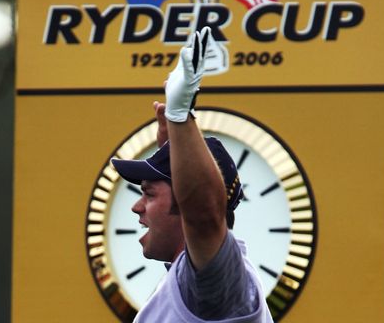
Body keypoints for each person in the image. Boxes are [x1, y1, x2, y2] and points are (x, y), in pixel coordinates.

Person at [111, 28, 274, 322]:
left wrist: (180, 116)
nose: (137, 206)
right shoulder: (190, 280)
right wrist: (173, 144)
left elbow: (204, 215)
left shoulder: (217, 284)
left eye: (148, 193)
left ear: (186, 206)